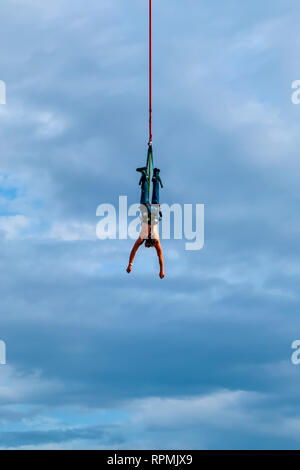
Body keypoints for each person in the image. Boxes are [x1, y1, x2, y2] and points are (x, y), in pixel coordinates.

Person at [126, 166, 165, 279]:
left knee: (155, 200)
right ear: (148, 243)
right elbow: (133, 251)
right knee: (145, 199)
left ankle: (156, 176)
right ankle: (145, 176)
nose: (147, 247)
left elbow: (160, 257)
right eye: (148, 246)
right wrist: (130, 264)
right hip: (147, 212)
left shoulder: (155, 240)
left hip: (154, 213)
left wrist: (162, 270)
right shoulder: (142, 238)